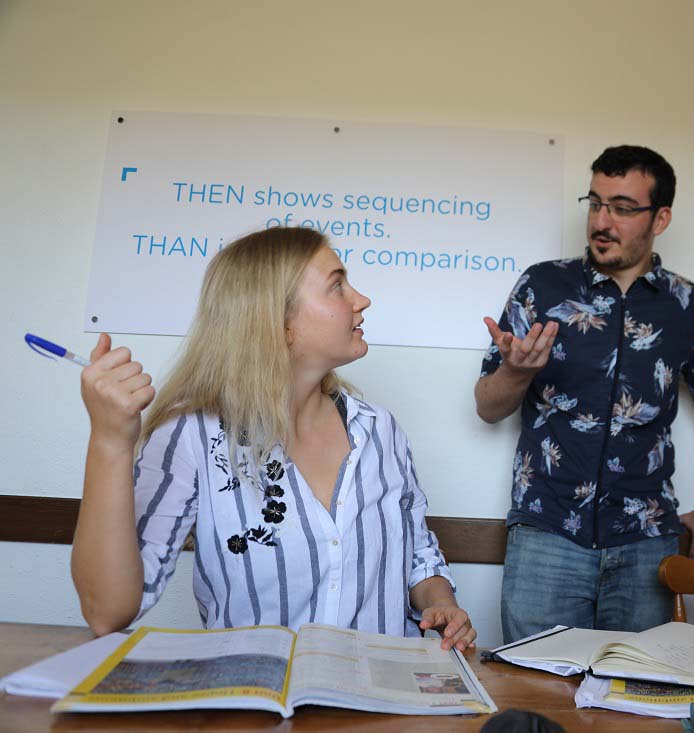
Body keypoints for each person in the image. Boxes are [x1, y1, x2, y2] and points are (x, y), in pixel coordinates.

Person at [72, 227, 476, 651]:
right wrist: (109, 441)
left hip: (380, 704)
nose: (361, 300)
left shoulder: (379, 429)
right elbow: (107, 612)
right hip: (255, 707)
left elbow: (417, 554)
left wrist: (441, 603)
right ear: (279, 324)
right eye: (337, 286)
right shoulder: (192, 433)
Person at [475, 145, 694, 642]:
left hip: (647, 540)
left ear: (661, 218)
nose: (602, 220)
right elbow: (488, 407)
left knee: (636, 703)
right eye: (594, 203)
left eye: (622, 207)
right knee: (536, 694)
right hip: (547, 532)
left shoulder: (690, 305)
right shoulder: (542, 285)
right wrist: (516, 371)